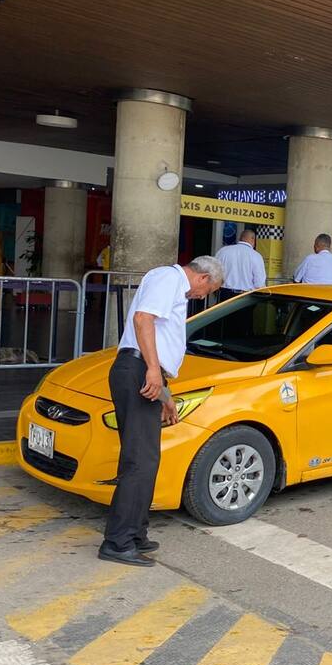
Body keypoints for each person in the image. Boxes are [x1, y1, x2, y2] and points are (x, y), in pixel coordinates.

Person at [99, 255, 223, 566]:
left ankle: (136, 532)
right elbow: (143, 320)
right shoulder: (169, 279)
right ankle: (118, 541)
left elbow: (159, 340)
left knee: (147, 458)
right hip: (138, 368)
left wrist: (165, 395)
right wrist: (152, 369)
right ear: (204, 278)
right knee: (139, 461)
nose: (202, 297)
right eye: (208, 291)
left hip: (144, 370)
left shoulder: (172, 284)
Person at [214, 227, 266, 300]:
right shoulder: (256, 256)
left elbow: (214, 273)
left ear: (240, 238)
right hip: (246, 296)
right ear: (253, 239)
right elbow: (259, 283)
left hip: (224, 293)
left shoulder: (223, 251)